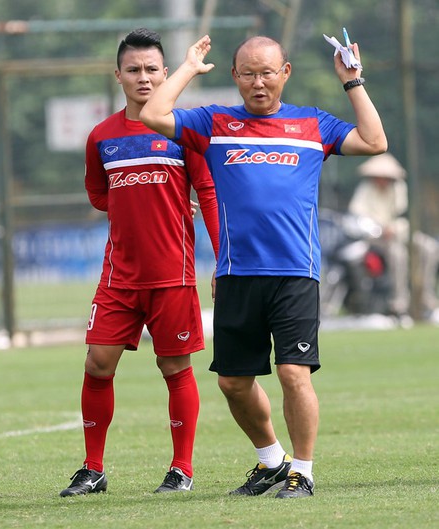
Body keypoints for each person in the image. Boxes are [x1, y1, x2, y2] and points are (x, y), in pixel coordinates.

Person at [141, 34, 387, 498]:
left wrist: (353, 82)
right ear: (235, 76)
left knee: (294, 373)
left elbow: (375, 141)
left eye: (268, 72)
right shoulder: (213, 122)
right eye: (248, 73)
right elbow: (152, 114)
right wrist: (189, 68)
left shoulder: (312, 123)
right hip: (237, 274)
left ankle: (303, 471)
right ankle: (271, 459)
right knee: (234, 383)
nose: (259, 83)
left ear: (285, 73)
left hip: (295, 272)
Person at [59, 28, 219, 497]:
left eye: (152, 69)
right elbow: (97, 194)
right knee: (97, 363)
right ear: (118, 76)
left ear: (166, 73)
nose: (143, 78)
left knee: (174, 368)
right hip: (118, 276)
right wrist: (146, 195)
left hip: (174, 274)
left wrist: (223, 258)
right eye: (134, 70)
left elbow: (207, 193)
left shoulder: (182, 131)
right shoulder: (102, 137)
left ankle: (181, 469)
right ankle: (92, 469)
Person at [349, 152, 439, 322]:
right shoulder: (365, 189)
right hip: (374, 236)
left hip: (398, 231)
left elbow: (399, 214)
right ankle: (399, 305)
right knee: (398, 255)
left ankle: (427, 300)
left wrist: (392, 227)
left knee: (430, 248)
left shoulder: (399, 187)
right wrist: (380, 227)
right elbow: (358, 214)